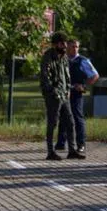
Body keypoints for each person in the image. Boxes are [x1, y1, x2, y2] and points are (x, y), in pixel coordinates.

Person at [58, 39, 98, 158]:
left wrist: (84, 86)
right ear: (67, 48)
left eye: (76, 47)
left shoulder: (83, 61)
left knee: (77, 117)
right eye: (72, 46)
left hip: (76, 93)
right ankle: (61, 142)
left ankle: (81, 144)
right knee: (63, 116)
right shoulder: (62, 59)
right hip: (64, 92)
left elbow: (95, 75)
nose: (74, 49)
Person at [39, 32, 74, 161]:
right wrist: (52, 91)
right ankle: (50, 152)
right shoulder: (48, 56)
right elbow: (45, 76)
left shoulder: (64, 57)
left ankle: (72, 150)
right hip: (53, 96)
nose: (65, 45)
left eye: (65, 42)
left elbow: (67, 75)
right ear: (56, 44)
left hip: (64, 94)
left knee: (70, 122)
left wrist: (68, 88)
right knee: (52, 122)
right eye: (62, 43)